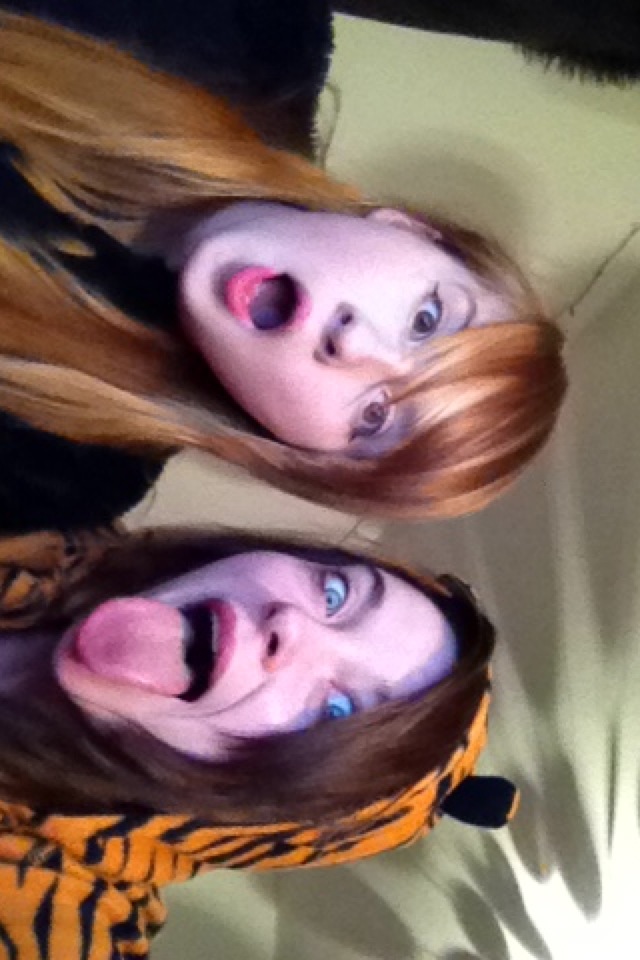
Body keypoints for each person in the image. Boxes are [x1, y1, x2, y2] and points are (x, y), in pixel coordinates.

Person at [0, 7, 567, 531]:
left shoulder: (58, 473)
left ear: (295, 454)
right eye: (427, 319)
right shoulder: (259, 32)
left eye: (374, 417)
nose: (354, 344)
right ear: (412, 229)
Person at [0, 524, 518, 958]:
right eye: (335, 595)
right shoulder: (53, 513)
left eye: (337, 712)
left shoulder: (61, 913)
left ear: (259, 811)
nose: (292, 625)